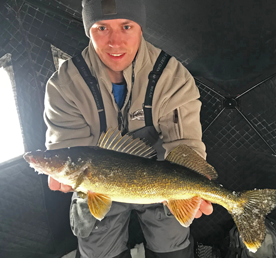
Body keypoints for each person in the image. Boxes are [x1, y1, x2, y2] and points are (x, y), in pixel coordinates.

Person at [44, 0, 213, 257]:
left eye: (126, 26)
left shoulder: (173, 77)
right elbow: (68, 148)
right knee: (96, 248)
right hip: (97, 182)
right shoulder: (64, 85)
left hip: (161, 175)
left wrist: (194, 188)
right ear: (88, 29)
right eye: (101, 28)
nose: (115, 42)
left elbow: (185, 147)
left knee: (173, 245)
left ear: (141, 27)